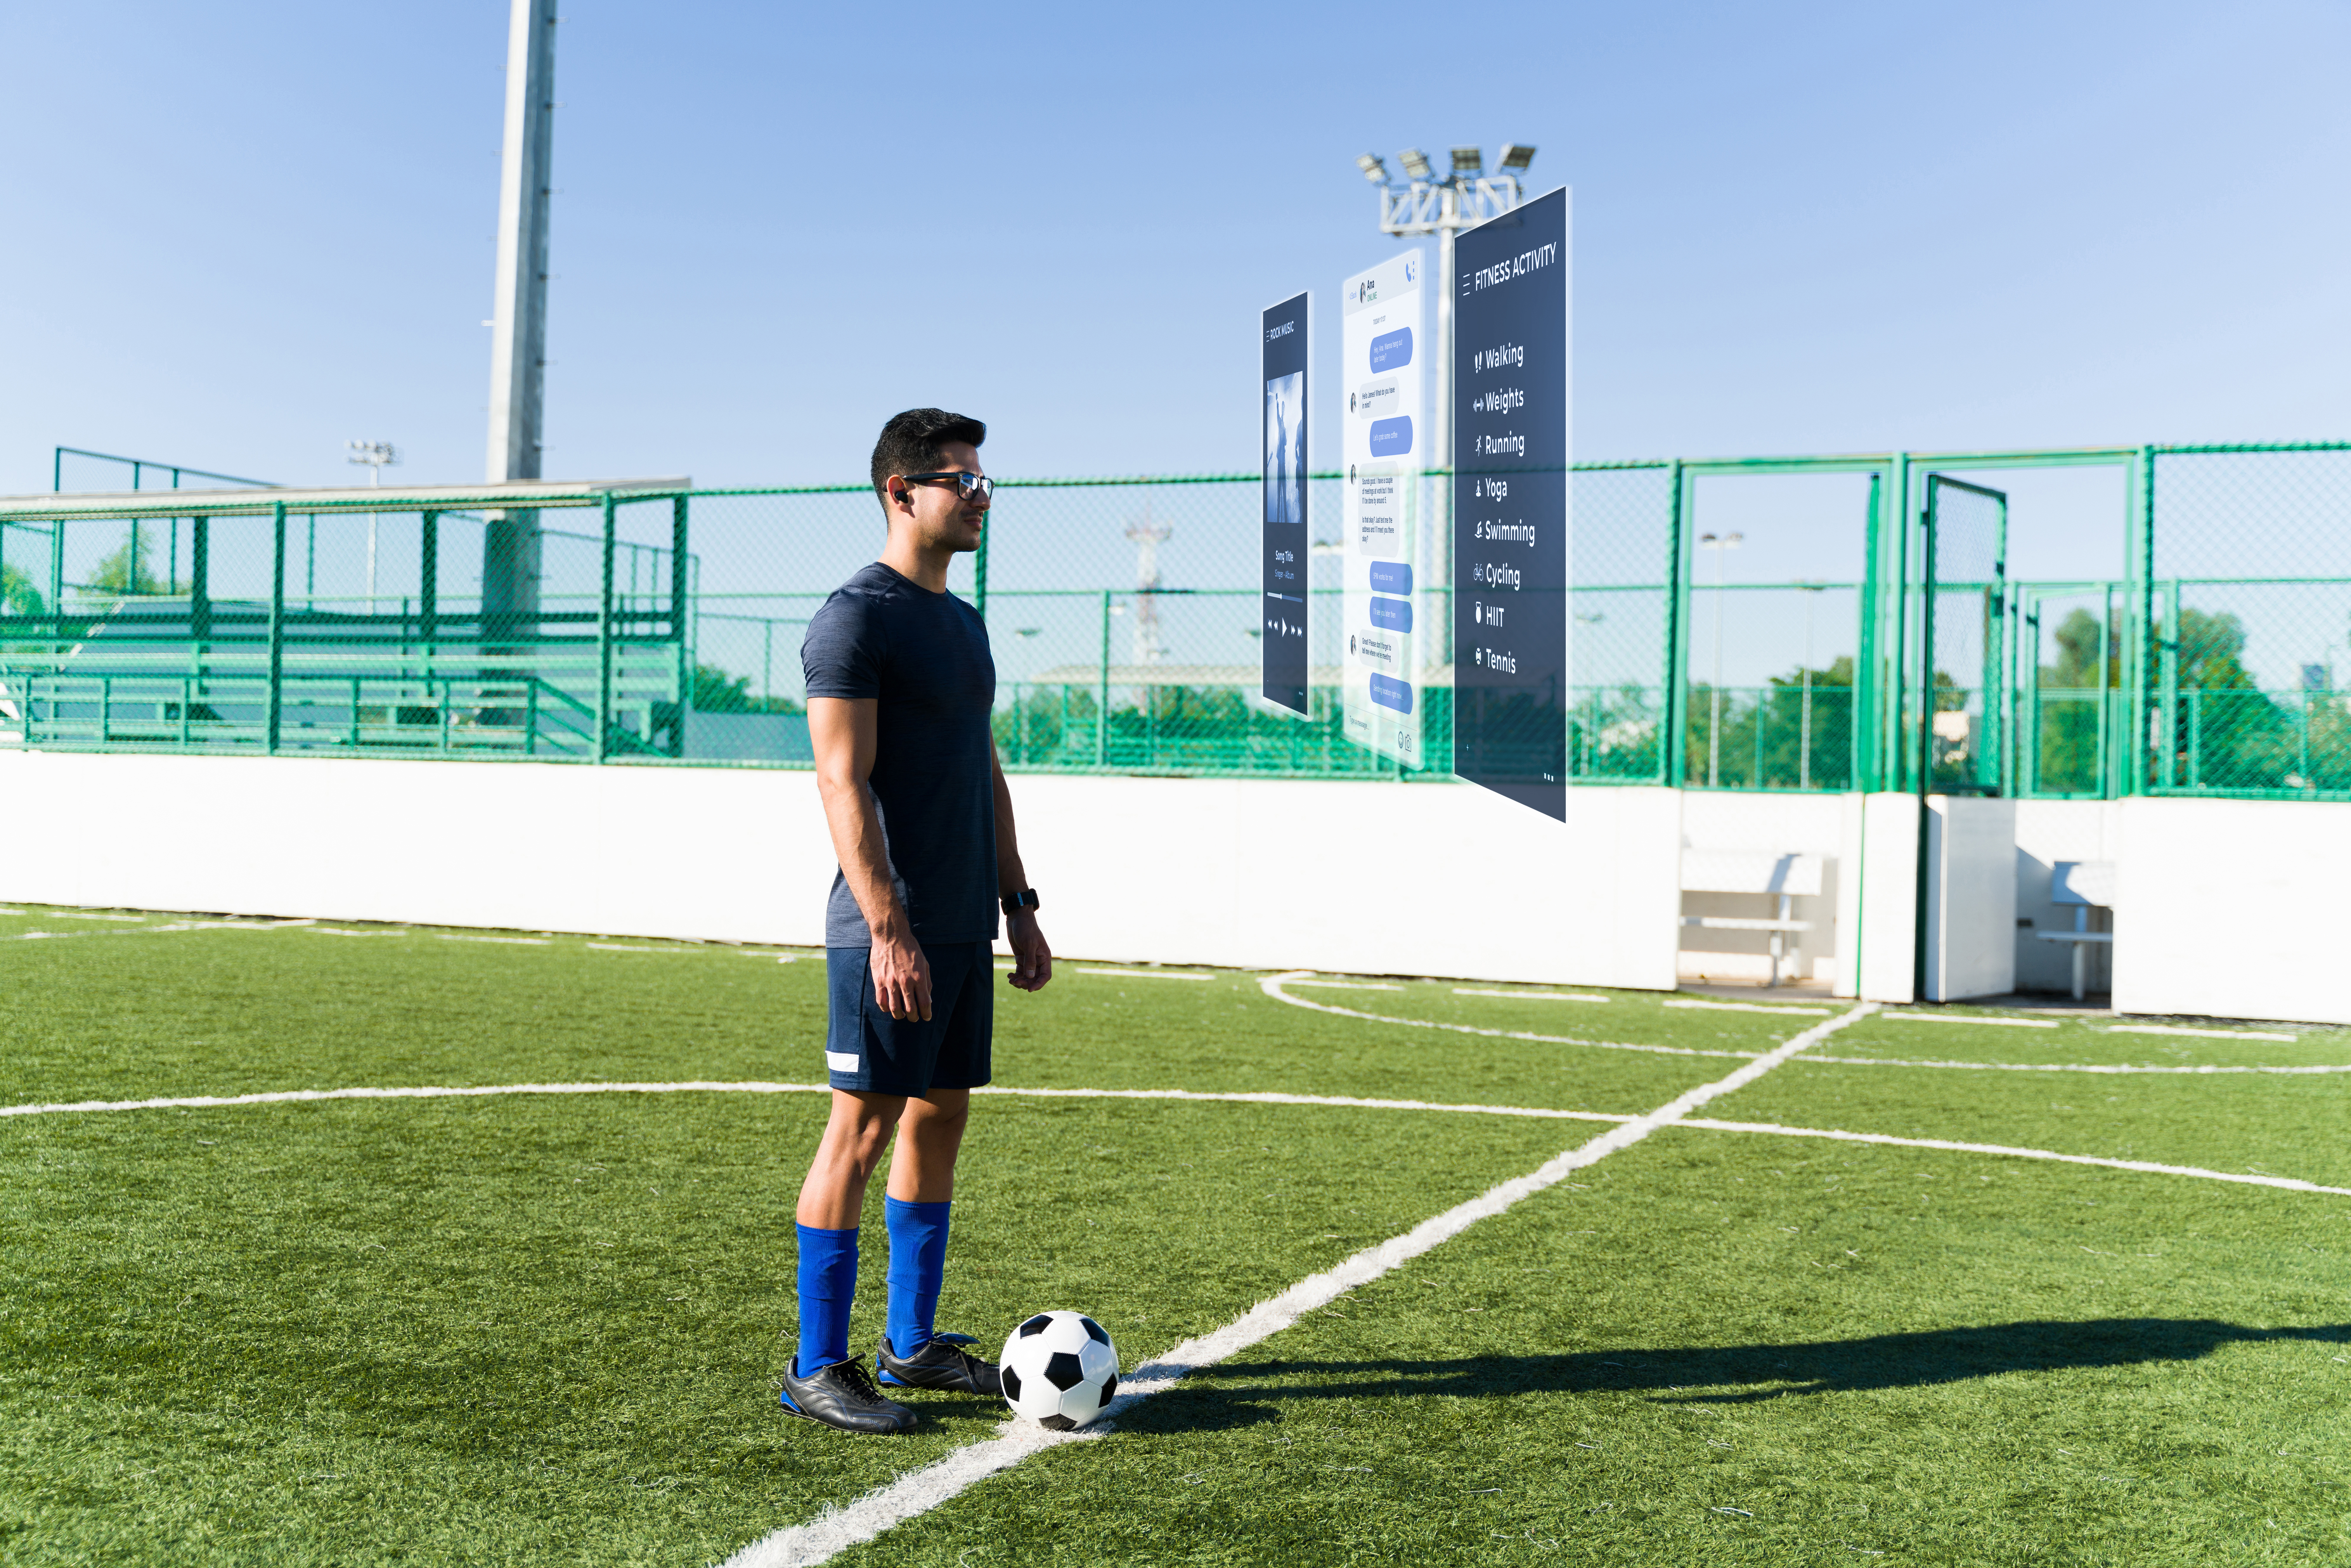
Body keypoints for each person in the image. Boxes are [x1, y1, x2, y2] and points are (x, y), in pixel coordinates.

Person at [778, 407, 1054, 1434]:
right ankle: (815, 1365)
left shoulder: (965, 623)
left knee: (941, 1116)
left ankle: (912, 1349)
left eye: (984, 481)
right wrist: (889, 927)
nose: (980, 496)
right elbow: (841, 781)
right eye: (962, 481)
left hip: (962, 926)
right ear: (902, 491)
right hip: (883, 928)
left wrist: (1017, 905)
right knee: (861, 1127)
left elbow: (983, 771)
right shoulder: (856, 619)